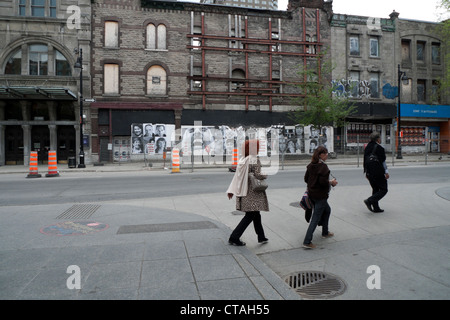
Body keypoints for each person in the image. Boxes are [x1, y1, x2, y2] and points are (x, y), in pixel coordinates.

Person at [226, 139, 269, 246]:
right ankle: (234, 237)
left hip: (244, 192)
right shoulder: (254, 159)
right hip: (252, 193)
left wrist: (231, 190)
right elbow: (258, 175)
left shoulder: (243, 159)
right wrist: (265, 175)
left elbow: (237, 176)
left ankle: (261, 236)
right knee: (250, 216)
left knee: (256, 214)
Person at [302, 146, 338, 249]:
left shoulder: (310, 165)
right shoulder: (323, 167)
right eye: (325, 153)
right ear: (320, 155)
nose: (327, 155)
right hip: (320, 196)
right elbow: (323, 183)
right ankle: (307, 241)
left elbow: (306, 179)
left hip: (312, 194)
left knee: (327, 210)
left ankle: (325, 232)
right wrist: (332, 182)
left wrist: (313, 183)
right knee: (315, 218)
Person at [363, 132, 389, 213]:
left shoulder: (367, 147)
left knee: (375, 189)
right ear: (378, 139)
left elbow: (365, 161)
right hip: (378, 172)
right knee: (384, 189)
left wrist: (366, 172)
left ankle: (376, 207)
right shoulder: (380, 148)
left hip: (370, 172)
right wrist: (386, 172)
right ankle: (369, 200)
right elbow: (383, 162)